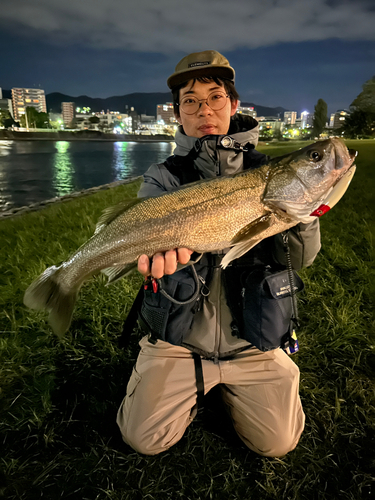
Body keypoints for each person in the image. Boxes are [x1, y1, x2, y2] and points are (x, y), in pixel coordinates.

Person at [116, 50, 321, 456]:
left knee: (277, 444)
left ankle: (226, 385)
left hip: (252, 341)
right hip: (179, 340)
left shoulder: (270, 172)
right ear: (178, 113)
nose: (204, 110)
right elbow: (147, 235)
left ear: (234, 105)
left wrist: (305, 217)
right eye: (190, 101)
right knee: (141, 439)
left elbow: (299, 259)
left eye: (215, 97)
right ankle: (184, 381)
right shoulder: (164, 176)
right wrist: (156, 260)